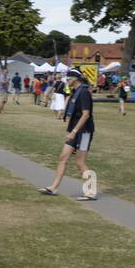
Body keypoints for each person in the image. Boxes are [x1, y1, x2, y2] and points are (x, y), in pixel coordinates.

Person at [39, 69, 96, 200]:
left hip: (84, 131)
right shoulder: (76, 91)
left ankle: (91, 191)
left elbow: (86, 114)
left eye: (69, 79)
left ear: (75, 79)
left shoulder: (84, 92)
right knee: (63, 157)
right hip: (74, 130)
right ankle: (53, 187)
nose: (67, 81)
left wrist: (74, 132)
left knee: (80, 162)